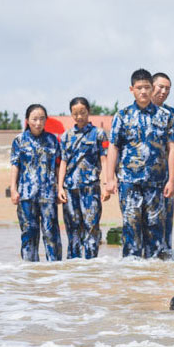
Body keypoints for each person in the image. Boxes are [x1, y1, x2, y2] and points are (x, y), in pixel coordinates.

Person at [105, 68, 174, 259]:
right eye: (139, 88)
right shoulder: (122, 116)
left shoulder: (165, 116)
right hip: (129, 183)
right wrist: (109, 179)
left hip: (156, 184)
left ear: (151, 88)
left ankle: (153, 276)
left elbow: (173, 148)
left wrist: (172, 180)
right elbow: (113, 147)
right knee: (131, 226)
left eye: (147, 87)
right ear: (132, 89)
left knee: (155, 229)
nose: (143, 92)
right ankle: (132, 276)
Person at [58, 97, 110, 259]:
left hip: (91, 188)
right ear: (71, 115)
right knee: (72, 228)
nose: (79, 116)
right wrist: (59, 187)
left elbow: (104, 159)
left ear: (89, 111)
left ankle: (91, 264)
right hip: (70, 188)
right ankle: (74, 265)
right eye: (75, 114)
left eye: (83, 112)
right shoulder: (66, 136)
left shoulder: (99, 134)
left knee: (91, 226)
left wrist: (107, 183)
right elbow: (63, 163)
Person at [10, 104, 62, 261]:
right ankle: (30, 272)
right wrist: (13, 189)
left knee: (51, 233)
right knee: (29, 233)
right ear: (27, 120)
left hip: (48, 195)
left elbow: (58, 165)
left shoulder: (52, 140)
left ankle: (54, 269)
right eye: (34, 119)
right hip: (26, 195)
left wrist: (60, 188)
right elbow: (15, 165)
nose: (38, 123)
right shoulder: (19, 141)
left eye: (41, 119)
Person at [151, 72, 174, 251]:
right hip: (140, 179)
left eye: (168, 88)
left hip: (166, 177)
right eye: (161, 87)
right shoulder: (136, 113)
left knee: (164, 223)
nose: (164, 91)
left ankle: (164, 263)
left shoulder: (173, 115)